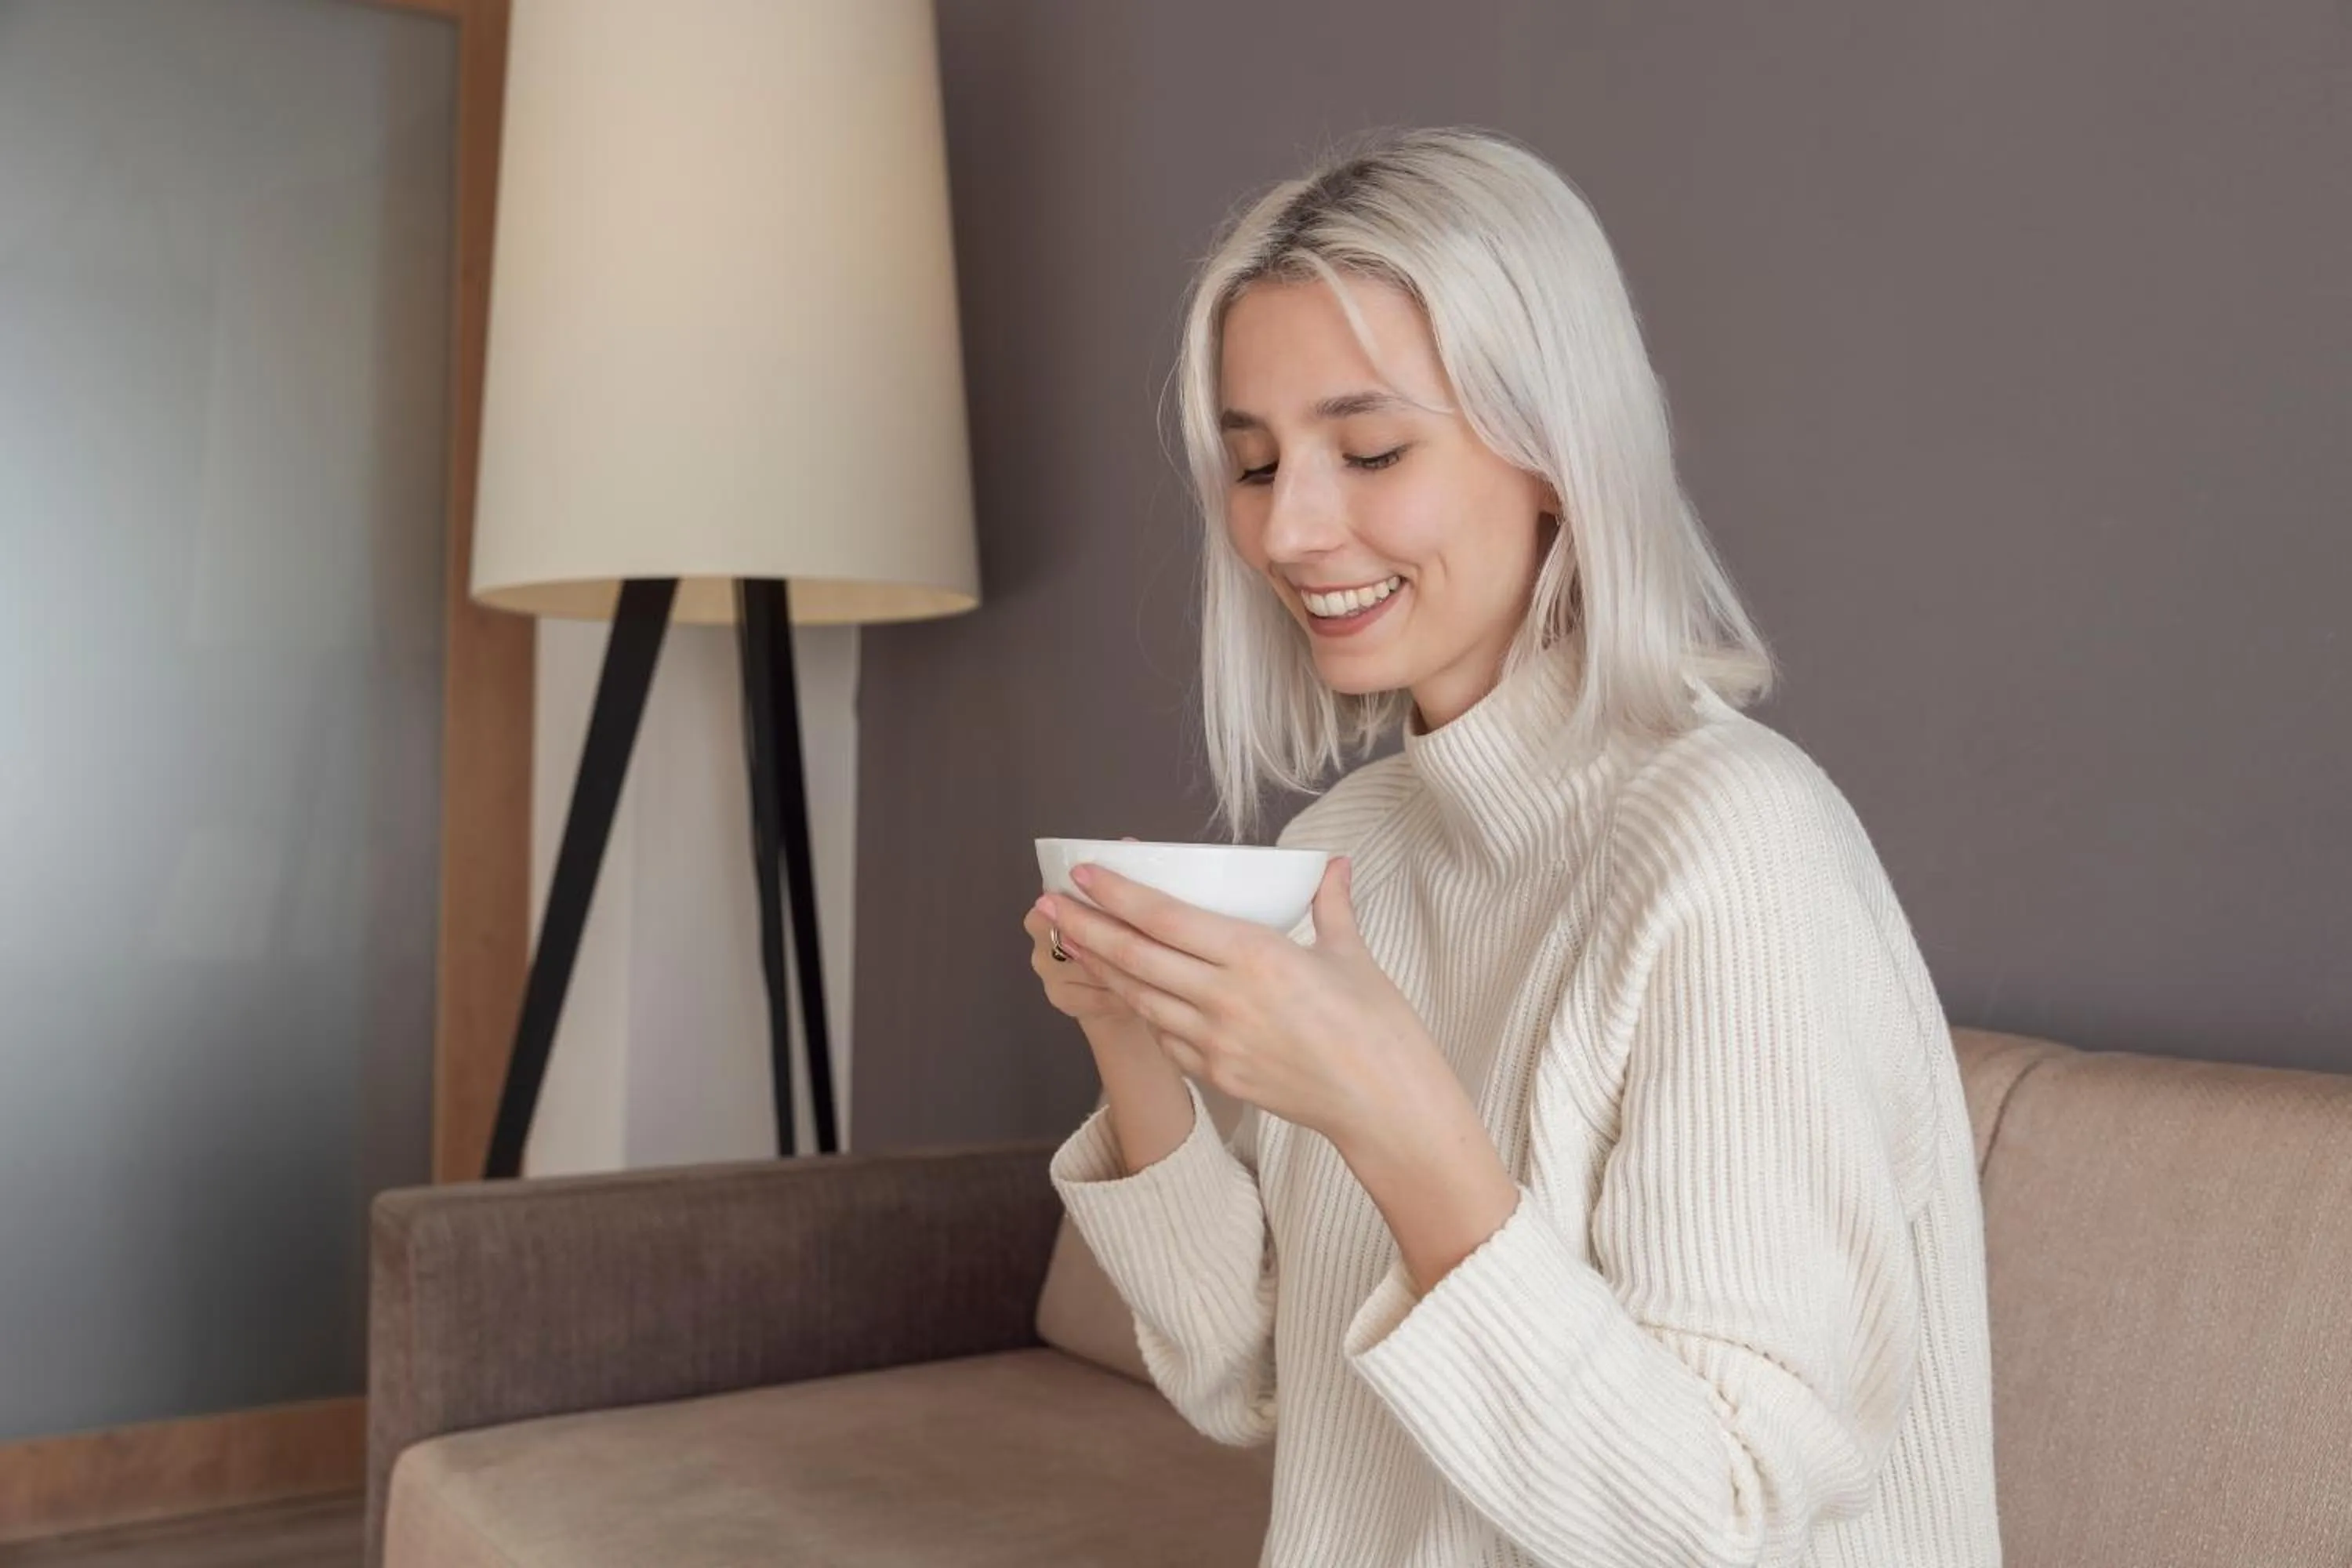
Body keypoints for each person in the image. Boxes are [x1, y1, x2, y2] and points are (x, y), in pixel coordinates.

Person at [1019, 125, 2000, 1567]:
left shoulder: (1734, 851)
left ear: (1556, 452)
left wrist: (1392, 1115)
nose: (1290, 528)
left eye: (1368, 449)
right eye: (1253, 464)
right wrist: (1130, 1029)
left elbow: (1720, 1518)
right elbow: (1246, 1381)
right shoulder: (1356, 847)